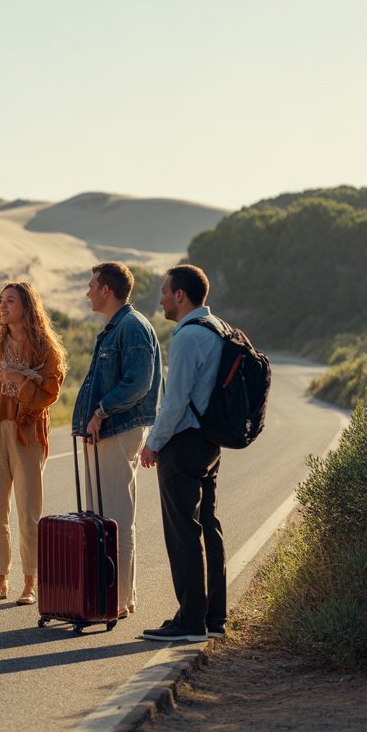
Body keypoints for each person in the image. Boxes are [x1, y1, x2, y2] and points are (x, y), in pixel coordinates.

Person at [139, 264, 226, 643]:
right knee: (208, 525)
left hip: (184, 441)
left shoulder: (189, 336)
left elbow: (174, 403)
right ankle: (213, 619)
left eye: (164, 291)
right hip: (208, 441)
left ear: (180, 296)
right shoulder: (219, 329)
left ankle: (190, 622)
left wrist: (153, 443)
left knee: (183, 532)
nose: (160, 298)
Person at [72, 262, 163, 618]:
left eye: (92, 284)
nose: (88, 290)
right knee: (103, 517)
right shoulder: (117, 327)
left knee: (116, 518)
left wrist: (100, 412)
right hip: (106, 432)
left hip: (116, 430)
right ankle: (110, 596)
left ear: (107, 290)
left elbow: (138, 382)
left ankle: (119, 599)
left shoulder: (132, 326)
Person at [0, 282, 66, 606]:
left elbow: (50, 393)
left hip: (27, 435)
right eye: (1, 301)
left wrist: (20, 381)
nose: (3, 306)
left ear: (27, 306)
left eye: (10, 300)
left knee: (29, 513)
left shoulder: (45, 349)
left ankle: (30, 582)